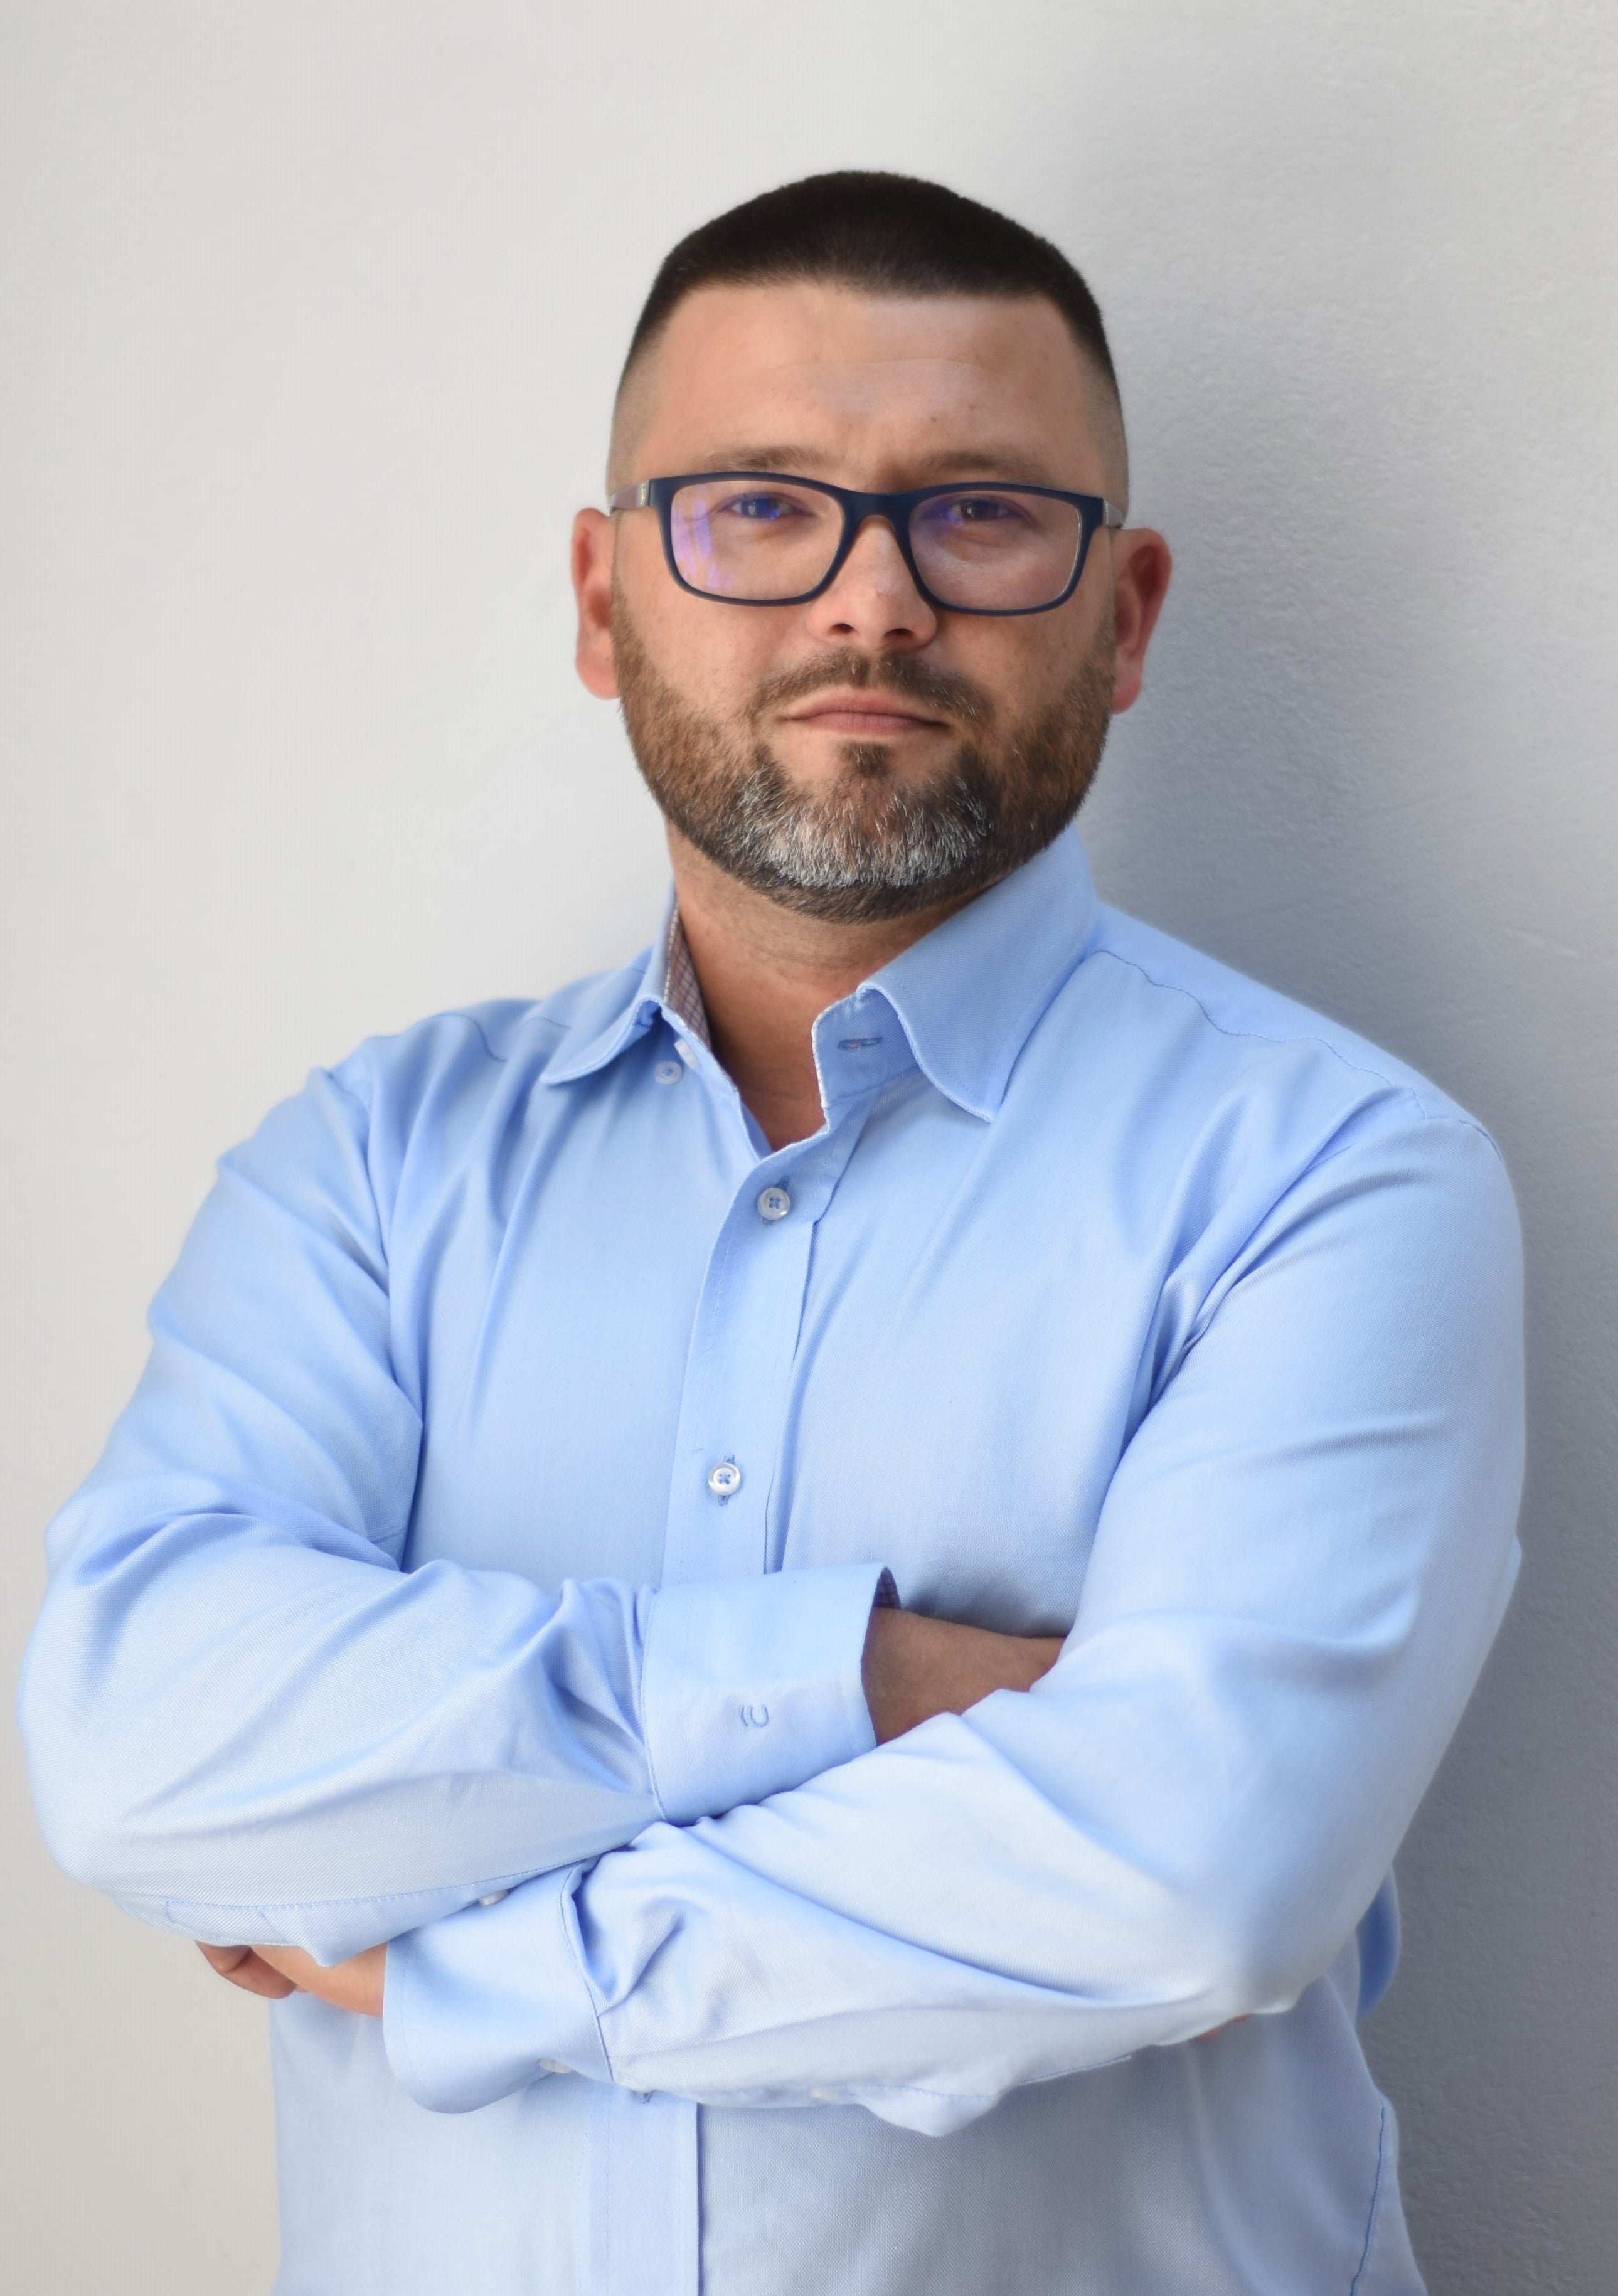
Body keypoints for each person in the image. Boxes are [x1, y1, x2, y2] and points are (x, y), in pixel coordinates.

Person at [19, 171, 1523, 2295]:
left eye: (978, 514)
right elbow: (138, 1745)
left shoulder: (1335, 1178)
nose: (870, 601)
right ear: (601, 595)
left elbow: (1183, 1884)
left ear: (1124, 616)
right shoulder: (368, 1169)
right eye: (756, 507)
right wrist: (866, 1676)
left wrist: (452, 1960)